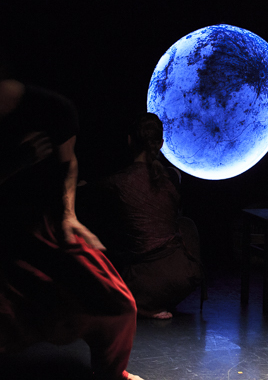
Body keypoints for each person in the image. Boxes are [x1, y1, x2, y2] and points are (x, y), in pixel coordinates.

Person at [0, 72, 144, 380]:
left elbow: (68, 161)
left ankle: (112, 373)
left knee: (117, 303)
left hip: (44, 222)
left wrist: (68, 216)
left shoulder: (50, 107)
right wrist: (14, 164)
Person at [86, 113, 205, 320]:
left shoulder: (117, 182)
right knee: (183, 224)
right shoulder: (172, 177)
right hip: (186, 277)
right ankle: (154, 299)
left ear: (130, 140)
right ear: (161, 143)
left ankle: (144, 302)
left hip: (148, 279)